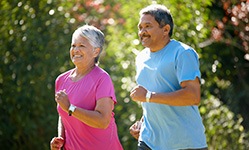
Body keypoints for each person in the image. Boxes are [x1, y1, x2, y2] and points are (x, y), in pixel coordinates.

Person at [129, 4, 208, 150]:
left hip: (184, 143)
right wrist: (143, 122)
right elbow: (150, 97)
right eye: (140, 27)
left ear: (165, 29)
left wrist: (148, 96)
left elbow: (193, 96)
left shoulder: (183, 53)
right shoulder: (140, 58)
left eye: (148, 26)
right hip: (149, 141)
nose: (142, 32)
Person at [50, 25, 123, 150]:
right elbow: (63, 113)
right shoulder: (61, 80)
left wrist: (70, 108)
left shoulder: (102, 79)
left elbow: (103, 121)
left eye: (82, 46)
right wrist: (60, 137)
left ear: (96, 51)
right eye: (73, 46)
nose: (76, 50)